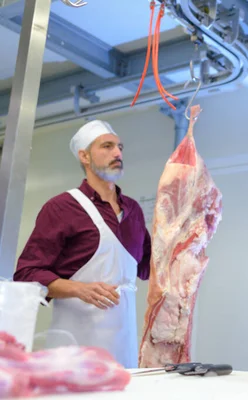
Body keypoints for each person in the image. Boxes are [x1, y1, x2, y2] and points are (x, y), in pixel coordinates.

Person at [14, 119, 151, 368]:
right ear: (84, 156)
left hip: (125, 349)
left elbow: (149, 267)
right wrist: (79, 289)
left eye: (119, 147)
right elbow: (27, 274)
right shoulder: (62, 207)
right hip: (73, 352)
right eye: (107, 146)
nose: (118, 153)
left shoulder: (133, 210)